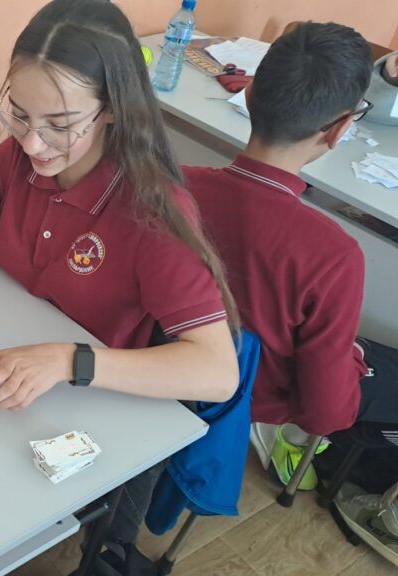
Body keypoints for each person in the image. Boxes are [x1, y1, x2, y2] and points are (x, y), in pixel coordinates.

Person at [0, 0, 239, 565]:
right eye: (19, 115)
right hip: (8, 385)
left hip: (86, 407)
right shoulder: (15, 161)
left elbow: (218, 373)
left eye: (60, 125)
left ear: (113, 110)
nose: (33, 144)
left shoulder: (152, 212)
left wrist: (68, 360)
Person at [183, 22, 398, 561]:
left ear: (251, 91)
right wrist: (350, 364)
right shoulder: (333, 254)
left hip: (170, 360)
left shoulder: (177, 184)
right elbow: (328, 413)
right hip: (252, 393)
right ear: (339, 129)